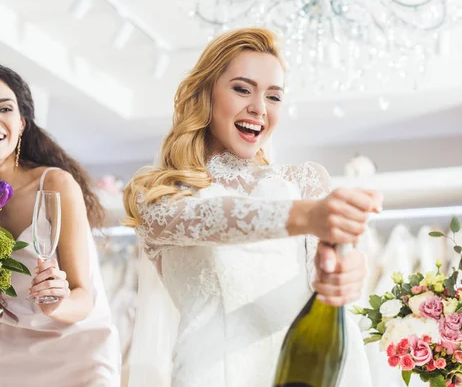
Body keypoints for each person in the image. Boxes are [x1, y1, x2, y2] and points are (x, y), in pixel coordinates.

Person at [123, 28, 381, 387]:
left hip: (308, 368)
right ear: (206, 93)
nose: (259, 108)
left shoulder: (306, 181)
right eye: (242, 89)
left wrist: (347, 273)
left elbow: (319, 282)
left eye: (273, 96)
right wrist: (307, 215)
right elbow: (211, 219)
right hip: (214, 372)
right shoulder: (157, 192)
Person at [0, 65, 120, 386]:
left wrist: (56, 302)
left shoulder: (54, 184)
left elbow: (84, 297)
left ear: (22, 123)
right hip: (7, 358)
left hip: (76, 351)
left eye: (5, 108)